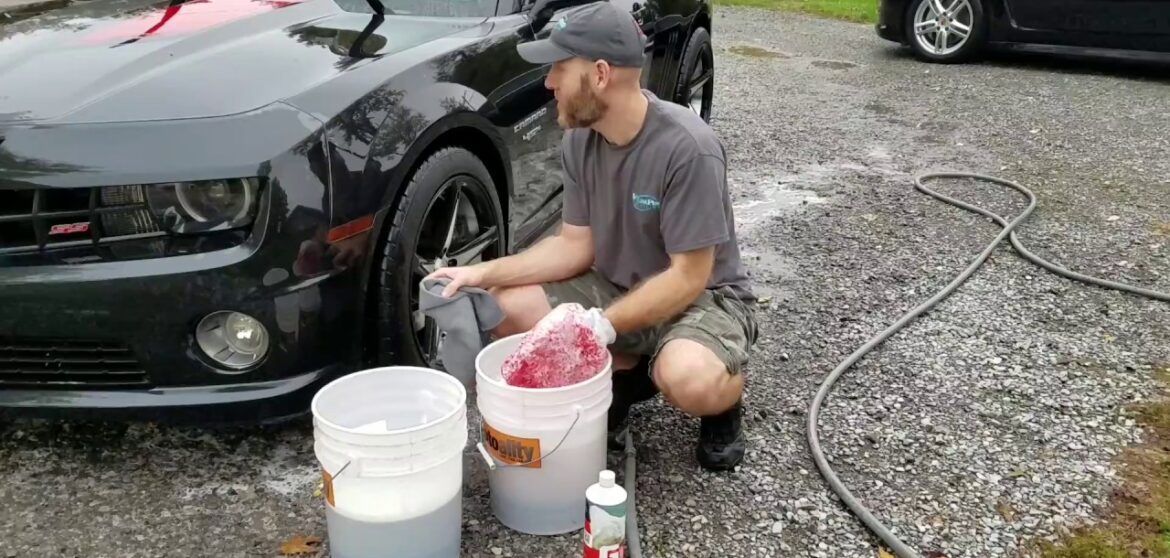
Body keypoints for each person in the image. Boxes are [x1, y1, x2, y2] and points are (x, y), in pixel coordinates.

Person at [425, 1, 758, 471]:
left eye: (560, 68)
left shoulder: (688, 149)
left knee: (686, 378)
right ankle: (621, 377)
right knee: (505, 305)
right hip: (621, 285)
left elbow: (688, 278)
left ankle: (722, 400)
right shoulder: (580, 138)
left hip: (704, 298)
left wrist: (599, 326)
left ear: (600, 74)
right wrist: (479, 272)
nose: (549, 83)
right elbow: (573, 246)